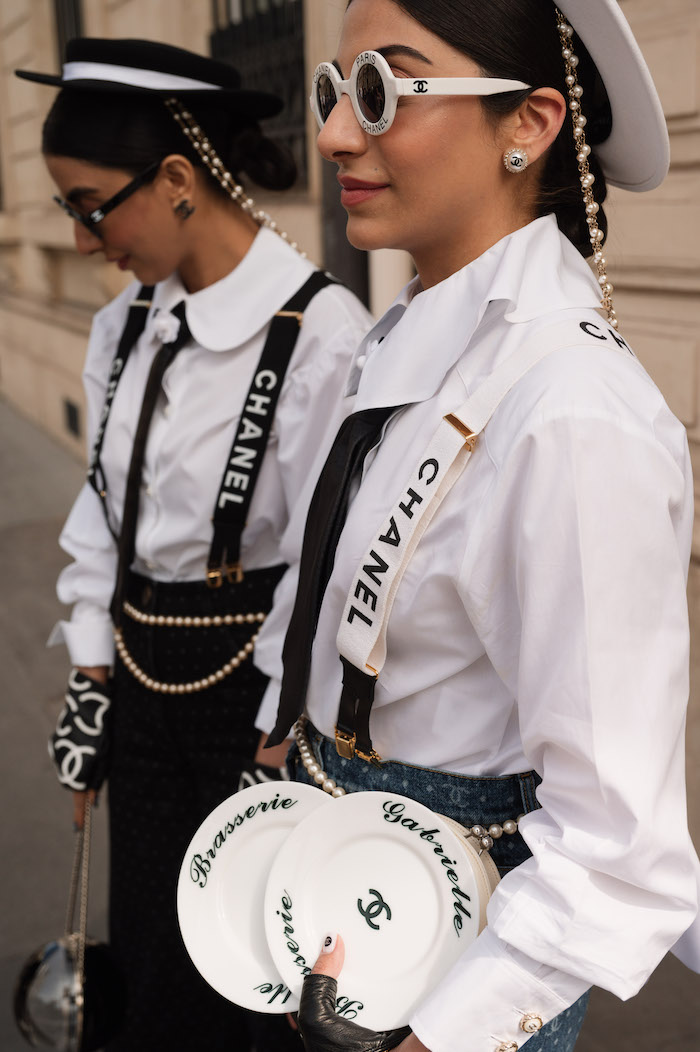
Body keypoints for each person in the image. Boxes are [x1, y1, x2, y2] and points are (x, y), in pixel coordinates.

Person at [254, 1, 700, 1050]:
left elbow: (616, 845)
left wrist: (447, 1033)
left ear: (529, 124)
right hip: (340, 879)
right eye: (334, 91)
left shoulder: (571, 411)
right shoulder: (411, 335)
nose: (330, 136)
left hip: (458, 946)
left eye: (381, 92)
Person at [15, 38, 372, 1052]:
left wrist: (278, 730)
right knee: (151, 947)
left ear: (176, 181)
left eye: (90, 205)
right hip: (138, 669)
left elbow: (324, 557)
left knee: (250, 964)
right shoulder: (123, 325)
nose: (84, 240)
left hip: (252, 693)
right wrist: (91, 672)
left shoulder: (319, 328)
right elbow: (101, 513)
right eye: (67, 212)